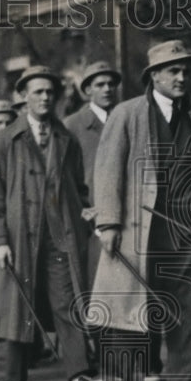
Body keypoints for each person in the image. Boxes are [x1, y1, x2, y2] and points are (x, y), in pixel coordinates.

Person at [91, 40, 191, 381]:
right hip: (141, 230)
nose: (181, 78)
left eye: (185, 71)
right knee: (132, 307)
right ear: (154, 77)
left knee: (190, 309)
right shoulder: (128, 113)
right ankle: (123, 372)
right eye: (173, 71)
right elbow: (108, 169)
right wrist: (109, 222)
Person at [0, 65, 104, 381]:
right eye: (37, 91)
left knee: (67, 301)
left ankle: (79, 375)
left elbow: (78, 187)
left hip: (60, 234)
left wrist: (84, 209)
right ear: (23, 97)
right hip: (19, 235)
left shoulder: (67, 137)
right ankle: (14, 375)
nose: (45, 97)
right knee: (19, 304)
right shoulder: (5, 139)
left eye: (50, 92)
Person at [64, 61, 121, 289]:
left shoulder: (124, 117)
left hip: (123, 215)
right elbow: (68, 178)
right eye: (100, 84)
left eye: (111, 84)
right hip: (91, 220)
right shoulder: (73, 126)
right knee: (97, 286)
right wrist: (83, 211)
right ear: (87, 90)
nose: (107, 89)